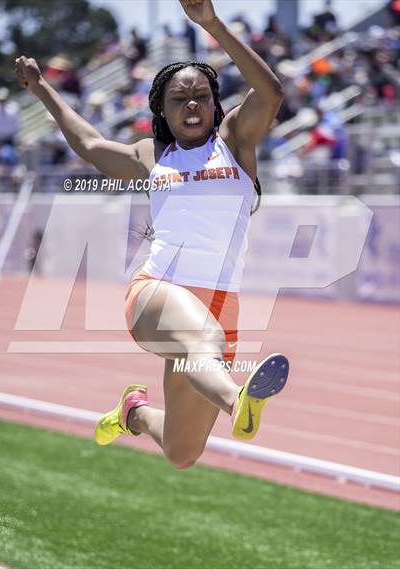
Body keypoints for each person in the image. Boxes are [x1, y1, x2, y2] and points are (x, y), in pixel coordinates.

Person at [15, 0, 289, 470]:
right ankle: (237, 398)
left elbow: (272, 92)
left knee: (182, 452)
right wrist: (43, 92)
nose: (192, 105)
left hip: (223, 304)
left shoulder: (235, 140)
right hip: (158, 292)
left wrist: (210, 23)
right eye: (180, 98)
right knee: (202, 339)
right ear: (161, 108)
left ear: (215, 102)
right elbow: (90, 145)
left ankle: (134, 413)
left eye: (201, 95)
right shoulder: (152, 155)